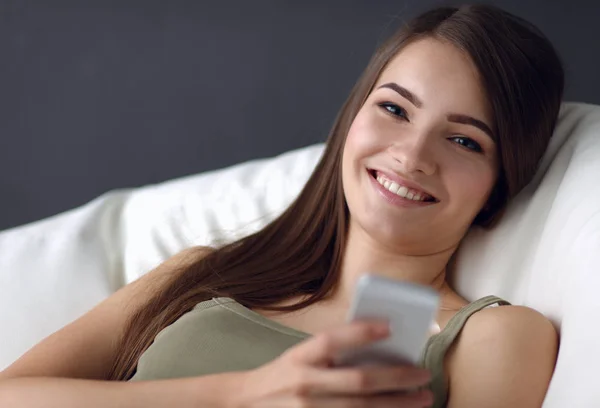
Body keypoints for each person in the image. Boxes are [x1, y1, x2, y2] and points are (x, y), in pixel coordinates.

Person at [0, 4, 564, 407]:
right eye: (395, 110)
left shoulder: (493, 336)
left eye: (465, 140)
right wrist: (240, 395)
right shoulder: (201, 274)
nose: (413, 155)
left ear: (499, 183)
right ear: (351, 120)